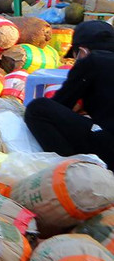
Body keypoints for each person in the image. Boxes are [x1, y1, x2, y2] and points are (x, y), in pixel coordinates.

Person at [25, 22, 114, 168]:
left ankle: (70, 168)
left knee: (38, 109)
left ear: (82, 52)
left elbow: (61, 103)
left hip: (109, 148)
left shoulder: (92, 61)